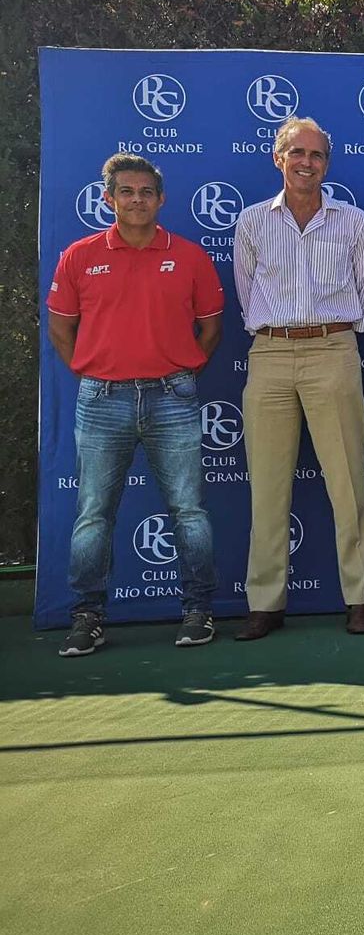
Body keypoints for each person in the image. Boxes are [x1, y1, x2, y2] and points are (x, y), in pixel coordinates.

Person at [47, 154, 225, 655]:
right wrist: (92, 370)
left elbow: (211, 329)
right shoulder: (79, 256)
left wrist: (182, 371)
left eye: (146, 191)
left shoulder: (188, 256)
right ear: (109, 199)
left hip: (173, 397)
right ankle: (87, 617)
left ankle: (198, 611)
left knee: (189, 510)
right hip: (102, 398)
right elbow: (61, 329)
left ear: (161, 198)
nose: (137, 200)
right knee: (93, 514)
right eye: (126, 191)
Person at [233, 116, 364, 640]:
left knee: (347, 482)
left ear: (327, 163)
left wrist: (336, 332)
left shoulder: (352, 222)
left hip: (333, 349)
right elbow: (246, 293)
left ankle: (359, 599)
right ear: (279, 159)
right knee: (268, 486)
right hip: (270, 353)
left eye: (316, 155)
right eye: (297, 153)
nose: (306, 162)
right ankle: (265, 604)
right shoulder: (252, 223)